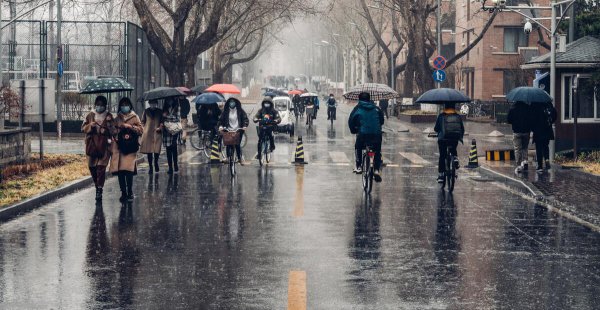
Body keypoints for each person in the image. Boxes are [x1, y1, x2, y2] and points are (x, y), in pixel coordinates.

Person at [110, 97, 143, 202]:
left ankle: (130, 192)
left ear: (130, 106)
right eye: (123, 105)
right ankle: (123, 192)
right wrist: (117, 128)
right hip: (120, 147)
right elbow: (112, 131)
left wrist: (130, 127)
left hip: (131, 147)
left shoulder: (135, 117)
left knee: (128, 171)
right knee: (121, 172)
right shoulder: (117, 118)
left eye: (126, 104)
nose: (125, 106)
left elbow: (141, 130)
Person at [82, 96, 115, 201]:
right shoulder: (90, 115)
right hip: (92, 146)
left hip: (104, 146)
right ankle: (97, 185)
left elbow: (114, 131)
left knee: (101, 168)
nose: (99, 106)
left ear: (105, 106)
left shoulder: (109, 116)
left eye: (102, 105)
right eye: (98, 104)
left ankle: (99, 189)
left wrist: (107, 128)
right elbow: (83, 128)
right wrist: (90, 127)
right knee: (92, 168)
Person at [348, 92, 385, 182]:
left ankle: (359, 166)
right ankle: (376, 169)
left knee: (358, 147)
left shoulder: (357, 108)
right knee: (377, 150)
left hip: (363, 134)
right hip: (376, 134)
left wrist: (354, 130)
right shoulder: (376, 108)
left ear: (359, 99)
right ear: (369, 99)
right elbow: (382, 120)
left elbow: (351, 121)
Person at [434, 102, 465, 183]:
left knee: (442, 156)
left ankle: (441, 175)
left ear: (445, 106)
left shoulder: (441, 116)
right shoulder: (457, 116)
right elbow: (462, 128)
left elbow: (436, 128)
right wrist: (460, 137)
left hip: (443, 139)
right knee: (453, 148)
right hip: (454, 139)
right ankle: (455, 157)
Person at [218, 98, 249, 165]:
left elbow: (245, 119)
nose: (232, 103)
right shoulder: (225, 111)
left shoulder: (240, 111)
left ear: (236, 103)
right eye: (230, 102)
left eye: (233, 102)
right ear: (228, 103)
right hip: (228, 130)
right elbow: (220, 120)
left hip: (238, 130)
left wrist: (244, 126)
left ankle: (239, 158)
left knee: (237, 144)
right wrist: (220, 126)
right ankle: (227, 157)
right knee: (228, 144)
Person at [532, 101, 557, 172]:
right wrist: (550, 123)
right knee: (545, 146)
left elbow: (532, 118)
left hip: (538, 131)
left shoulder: (535, 106)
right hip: (547, 131)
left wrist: (532, 128)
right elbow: (554, 115)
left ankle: (540, 166)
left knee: (539, 149)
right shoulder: (549, 106)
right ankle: (547, 160)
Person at [507, 100, 531, 173]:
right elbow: (531, 119)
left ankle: (518, 165)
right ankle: (525, 161)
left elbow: (509, 120)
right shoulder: (528, 108)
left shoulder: (513, 108)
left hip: (517, 131)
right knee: (525, 147)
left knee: (517, 149)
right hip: (526, 131)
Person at [140, 100, 163, 174]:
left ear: (156, 104)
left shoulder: (159, 111)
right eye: (151, 103)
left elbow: (162, 121)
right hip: (148, 133)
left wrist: (160, 127)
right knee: (149, 151)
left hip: (157, 132)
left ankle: (156, 162)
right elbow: (142, 121)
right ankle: (150, 166)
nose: (153, 104)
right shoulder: (146, 111)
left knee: (157, 149)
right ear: (149, 104)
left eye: (154, 103)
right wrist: (144, 128)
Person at [163, 97, 182, 174]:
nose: (169, 101)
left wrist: (166, 117)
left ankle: (176, 165)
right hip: (167, 131)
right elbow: (163, 119)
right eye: (167, 100)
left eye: (171, 99)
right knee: (168, 149)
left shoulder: (177, 107)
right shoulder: (165, 108)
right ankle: (170, 167)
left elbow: (177, 119)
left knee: (174, 148)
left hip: (175, 131)